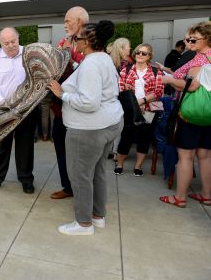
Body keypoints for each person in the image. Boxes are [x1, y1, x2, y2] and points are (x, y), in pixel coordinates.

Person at [48, 20, 123, 235]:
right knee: (98, 172)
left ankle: (83, 224)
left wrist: (61, 94)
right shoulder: (103, 59)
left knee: (80, 176)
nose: (74, 41)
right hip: (109, 123)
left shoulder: (91, 64)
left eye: (77, 38)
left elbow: (90, 102)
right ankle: (98, 216)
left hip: (89, 129)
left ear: (87, 41)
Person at [160, 21, 211, 208]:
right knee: (205, 155)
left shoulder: (201, 59)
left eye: (194, 38)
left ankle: (180, 197)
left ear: (207, 38)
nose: (190, 41)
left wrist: (167, 79)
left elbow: (191, 86)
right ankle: (206, 195)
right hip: (208, 113)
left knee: (186, 157)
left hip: (191, 112)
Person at [0, 27, 36, 194]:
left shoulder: (29, 54)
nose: (11, 45)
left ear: (18, 38)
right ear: (1, 43)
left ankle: (26, 179)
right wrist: (4, 102)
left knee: (25, 145)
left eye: (13, 41)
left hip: (26, 109)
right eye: (6, 43)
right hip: (2, 109)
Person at [50, 6, 89, 200]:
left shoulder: (92, 43)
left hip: (82, 112)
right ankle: (67, 187)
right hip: (60, 109)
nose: (64, 25)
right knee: (61, 149)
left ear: (80, 21)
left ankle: (81, 191)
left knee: (81, 156)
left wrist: (69, 57)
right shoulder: (63, 42)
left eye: (68, 21)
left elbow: (87, 74)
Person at [114, 44, 164, 176]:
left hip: (148, 111)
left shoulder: (155, 72)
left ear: (150, 56)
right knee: (126, 137)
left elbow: (159, 92)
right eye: (138, 52)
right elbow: (120, 89)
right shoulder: (126, 70)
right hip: (130, 110)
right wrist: (131, 98)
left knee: (144, 139)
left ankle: (138, 166)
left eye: (144, 53)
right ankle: (119, 164)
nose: (140, 55)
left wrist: (142, 100)